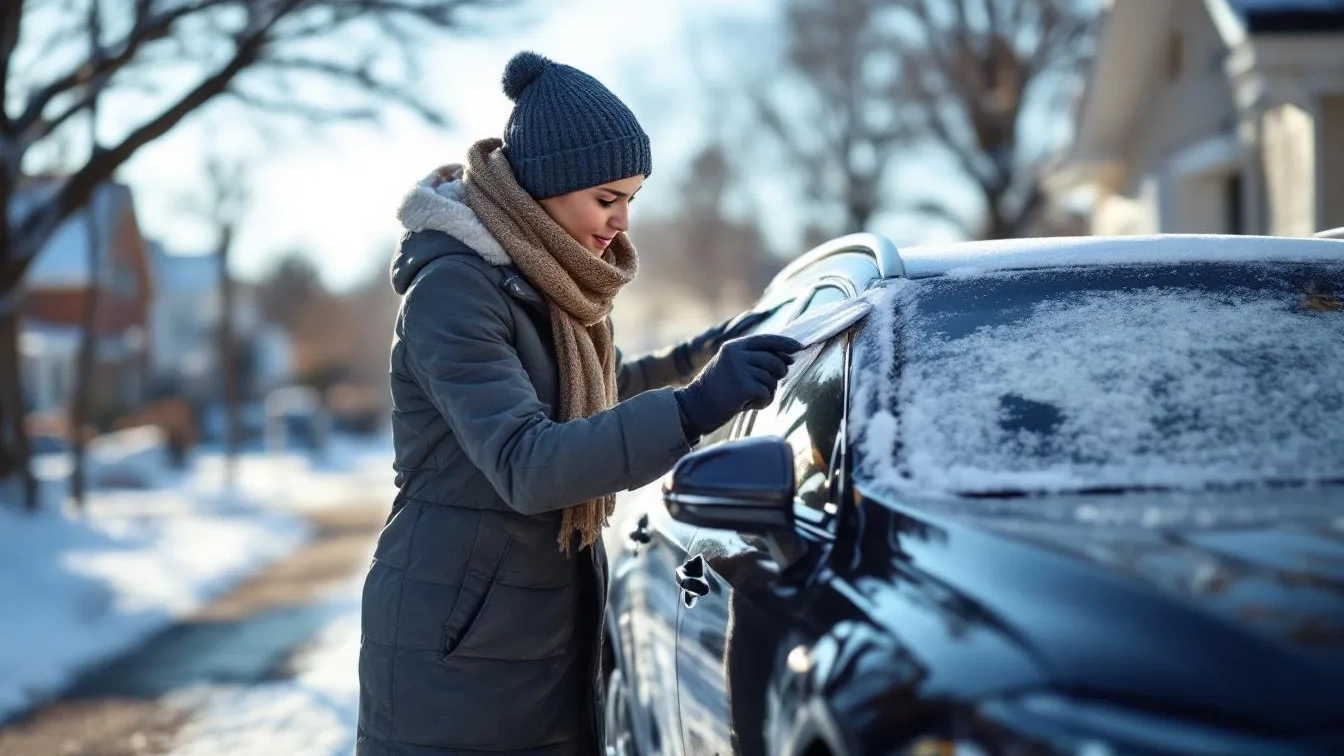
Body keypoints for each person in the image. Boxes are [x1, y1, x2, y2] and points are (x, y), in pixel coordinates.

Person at [357, 51, 802, 756]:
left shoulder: (545, 279)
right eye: (606, 198)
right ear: (546, 185)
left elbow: (593, 393)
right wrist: (695, 408)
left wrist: (703, 354)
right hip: (460, 642)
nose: (622, 223)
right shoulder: (455, 291)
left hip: (532, 624)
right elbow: (528, 461)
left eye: (632, 199)